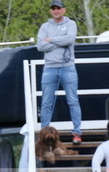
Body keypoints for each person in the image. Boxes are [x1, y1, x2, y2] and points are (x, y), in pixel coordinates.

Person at [37, 0, 82, 144]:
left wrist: (51, 39)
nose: (56, 10)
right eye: (53, 8)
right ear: (51, 11)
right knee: (46, 103)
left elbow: (70, 39)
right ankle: (44, 134)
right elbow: (40, 46)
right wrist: (60, 42)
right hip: (49, 68)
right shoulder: (45, 26)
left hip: (68, 67)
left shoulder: (71, 24)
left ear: (64, 10)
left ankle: (77, 133)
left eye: (58, 8)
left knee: (73, 101)